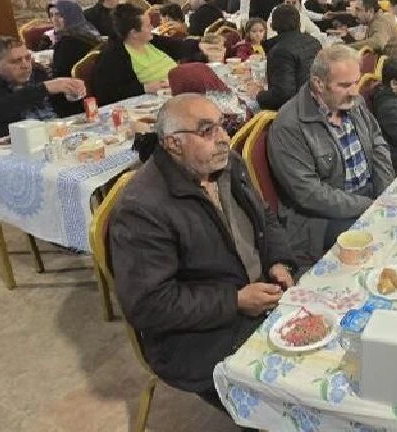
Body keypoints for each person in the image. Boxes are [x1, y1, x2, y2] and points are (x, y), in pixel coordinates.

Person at [108, 94, 297, 407]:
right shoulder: (143, 209)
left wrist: (278, 261)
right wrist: (235, 301)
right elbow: (148, 305)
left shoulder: (227, 163)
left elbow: (263, 214)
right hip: (200, 335)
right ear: (173, 144)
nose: (223, 138)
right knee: (288, 401)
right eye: (207, 131)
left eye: (222, 126)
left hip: (259, 294)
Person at [268, 45, 394, 267]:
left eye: (356, 82)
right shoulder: (289, 125)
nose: (355, 91)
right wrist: (369, 205)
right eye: (345, 85)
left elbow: (377, 141)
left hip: (367, 195)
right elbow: (310, 194)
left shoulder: (353, 102)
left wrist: (386, 190)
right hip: (321, 218)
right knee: (386, 242)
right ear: (318, 83)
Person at [0, 37, 86, 142]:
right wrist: (44, 88)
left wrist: (71, 93)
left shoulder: (37, 72)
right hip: (16, 146)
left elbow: (61, 109)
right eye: (16, 61)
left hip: (57, 137)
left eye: (27, 58)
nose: (25, 65)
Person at [94, 3, 184, 105]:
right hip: (153, 104)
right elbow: (109, 93)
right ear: (134, 33)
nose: (152, 27)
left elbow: (180, 46)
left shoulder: (152, 41)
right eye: (148, 25)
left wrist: (200, 45)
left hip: (177, 93)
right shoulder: (113, 57)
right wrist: (145, 88)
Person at [256, 5, 321, 111]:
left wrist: (259, 95)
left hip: (297, 113)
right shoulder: (314, 42)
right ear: (299, 24)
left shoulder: (280, 51)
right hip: (317, 103)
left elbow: (283, 96)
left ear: (272, 26)